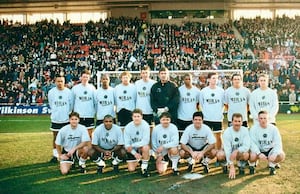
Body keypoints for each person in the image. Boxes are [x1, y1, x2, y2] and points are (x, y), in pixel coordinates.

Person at [249, 111, 285, 175]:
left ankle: (272, 166)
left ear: (268, 119)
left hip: (270, 150)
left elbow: (278, 143)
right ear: (258, 119)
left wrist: (275, 154)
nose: (263, 120)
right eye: (261, 118)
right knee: (252, 155)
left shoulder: (274, 128)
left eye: (265, 118)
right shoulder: (253, 128)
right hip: (259, 150)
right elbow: (252, 143)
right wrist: (259, 153)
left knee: (281, 155)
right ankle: (252, 165)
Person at [48, 74, 73, 163]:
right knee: (55, 137)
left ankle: (65, 154)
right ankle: (55, 155)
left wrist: (67, 113)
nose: (60, 83)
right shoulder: (51, 92)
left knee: (67, 138)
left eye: (61, 81)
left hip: (66, 119)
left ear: (64, 82)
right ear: (55, 82)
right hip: (55, 118)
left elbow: (71, 105)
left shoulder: (69, 92)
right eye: (58, 81)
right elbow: (51, 104)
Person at [217, 113, 250, 179]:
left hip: (239, 152)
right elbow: (227, 150)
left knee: (246, 154)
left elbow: (246, 146)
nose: (237, 123)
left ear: (242, 122)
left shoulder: (245, 131)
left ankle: (241, 164)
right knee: (220, 155)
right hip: (229, 152)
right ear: (232, 122)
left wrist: (236, 151)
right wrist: (231, 166)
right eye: (235, 121)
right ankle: (225, 165)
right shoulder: (227, 132)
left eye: (239, 121)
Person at [199, 72, 225, 151]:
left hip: (217, 118)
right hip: (207, 118)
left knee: (218, 136)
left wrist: (220, 113)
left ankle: (219, 154)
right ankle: (205, 155)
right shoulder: (203, 91)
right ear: (209, 79)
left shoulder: (221, 91)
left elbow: (223, 104)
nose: (215, 80)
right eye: (213, 78)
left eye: (216, 78)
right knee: (205, 137)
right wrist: (205, 113)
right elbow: (201, 104)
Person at [124, 108, 151, 177]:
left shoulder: (145, 125)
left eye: (138, 116)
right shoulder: (128, 127)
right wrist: (134, 153)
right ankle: (139, 159)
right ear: (132, 117)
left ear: (142, 116)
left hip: (140, 147)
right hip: (132, 150)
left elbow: (145, 141)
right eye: (135, 116)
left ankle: (144, 168)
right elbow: (127, 145)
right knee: (131, 169)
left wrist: (133, 145)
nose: (136, 118)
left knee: (146, 147)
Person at [72, 69, 96, 137]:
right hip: (79, 116)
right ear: (81, 77)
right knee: (78, 135)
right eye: (84, 77)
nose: (85, 78)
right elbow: (72, 102)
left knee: (90, 135)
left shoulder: (92, 88)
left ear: (89, 78)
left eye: (87, 77)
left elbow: (95, 102)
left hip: (89, 115)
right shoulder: (75, 88)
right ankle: (78, 148)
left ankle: (90, 148)